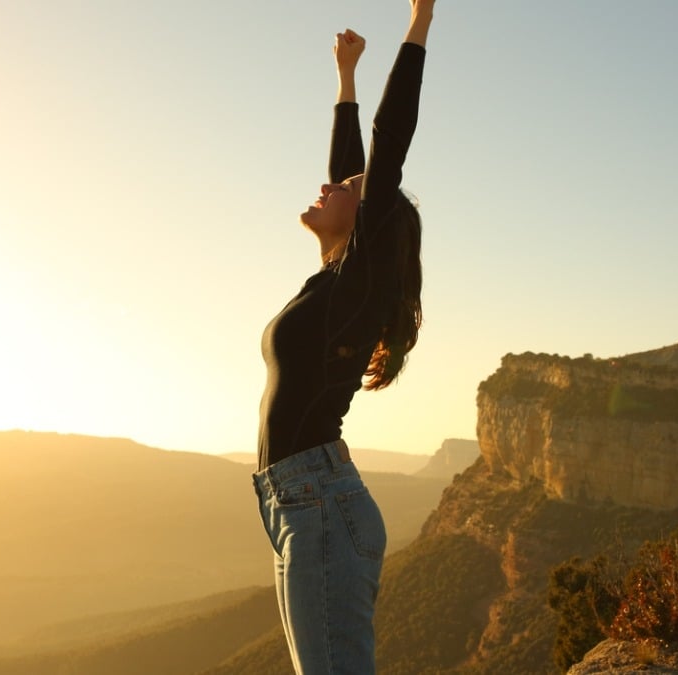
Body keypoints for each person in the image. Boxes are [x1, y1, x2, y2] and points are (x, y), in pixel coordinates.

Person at [252, 2, 434, 673]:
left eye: (347, 188)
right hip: (298, 504)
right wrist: (345, 81)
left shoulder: (354, 286)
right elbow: (355, 165)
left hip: (321, 507)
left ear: (368, 221)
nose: (328, 184)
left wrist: (420, 22)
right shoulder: (333, 285)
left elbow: (387, 147)